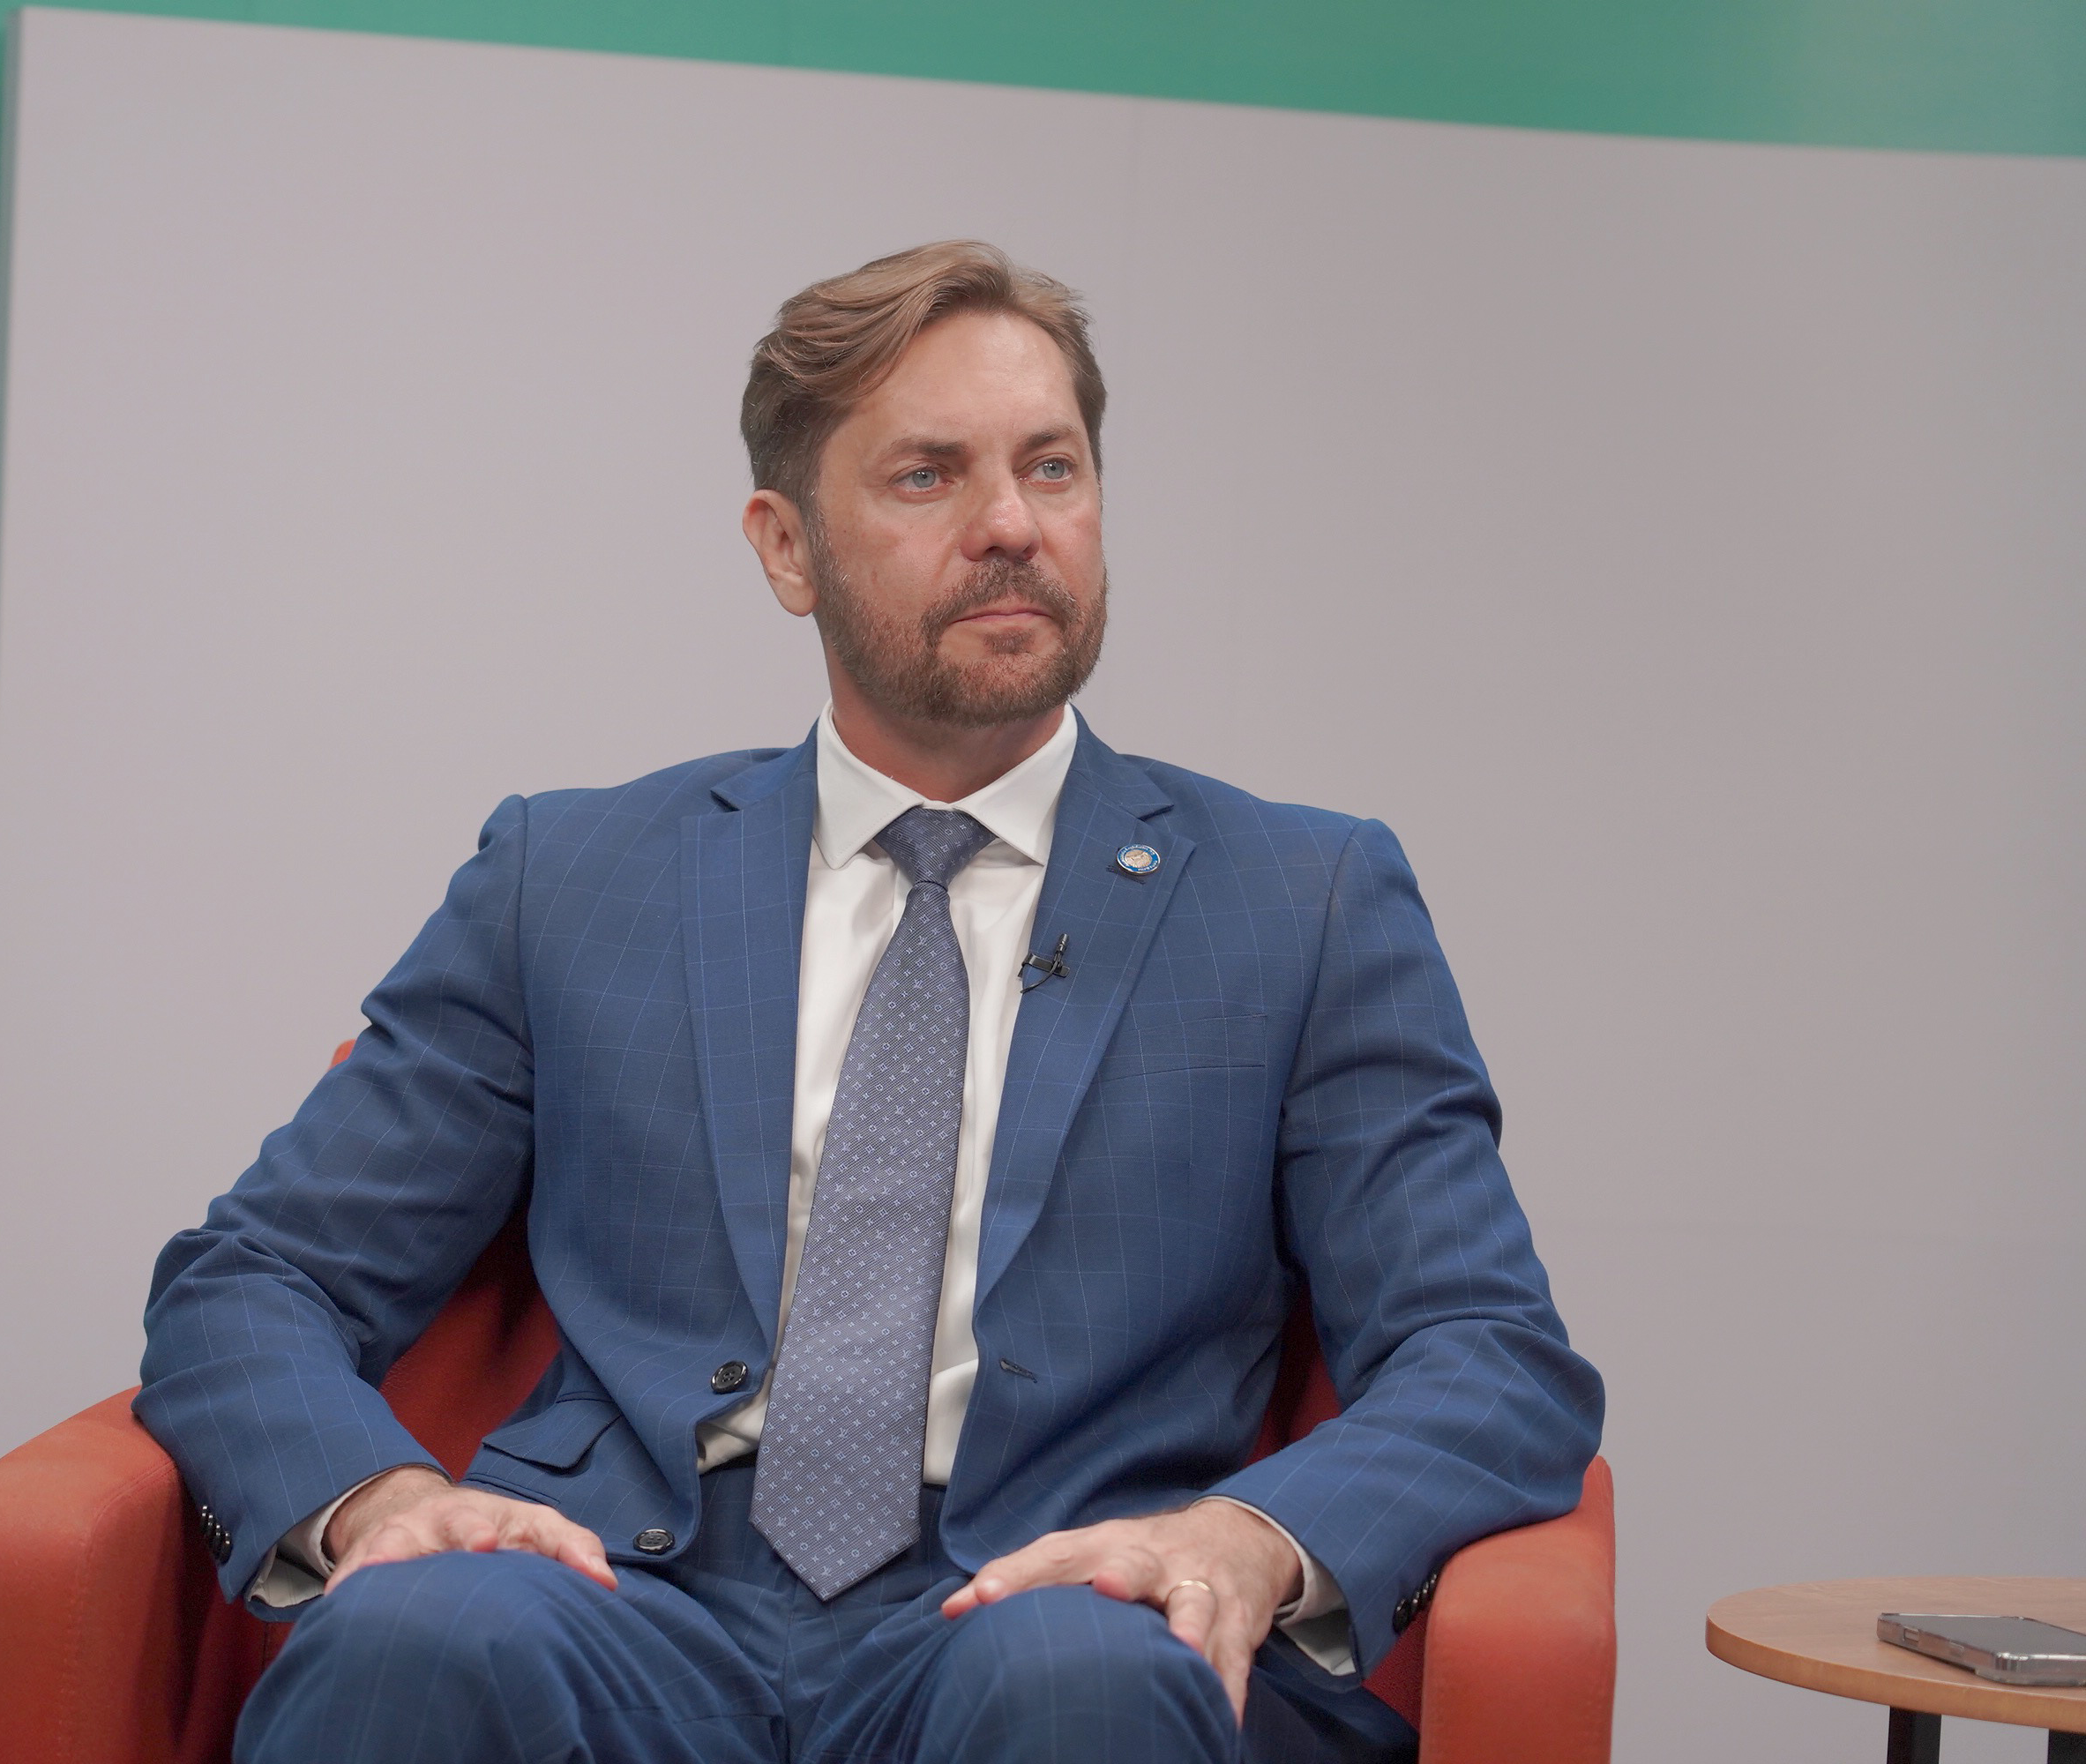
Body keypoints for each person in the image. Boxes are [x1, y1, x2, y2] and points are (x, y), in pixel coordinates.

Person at [135, 240, 1604, 1764]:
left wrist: (1245, 1540)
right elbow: (255, 1278)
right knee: (418, 1632)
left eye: (1052, 467)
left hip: (1054, 1602)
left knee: (1086, 1687)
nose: (1012, 525)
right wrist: (381, 1502)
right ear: (787, 550)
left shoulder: (1301, 903)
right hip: (619, 1597)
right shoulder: (570, 879)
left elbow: (1485, 1350)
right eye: (928, 476)